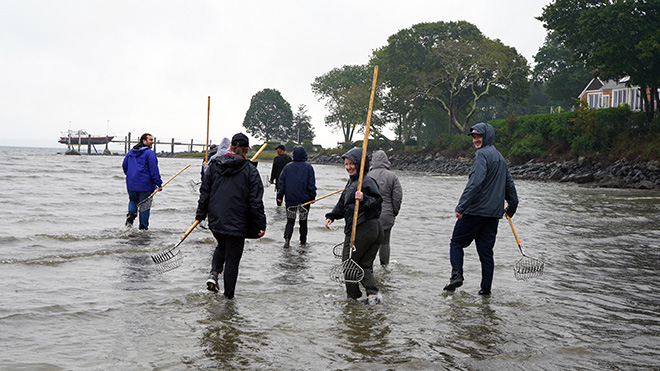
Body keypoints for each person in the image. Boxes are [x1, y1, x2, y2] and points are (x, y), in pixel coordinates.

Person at [443, 122, 519, 296]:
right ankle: (485, 291)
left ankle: (456, 276)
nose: (476, 140)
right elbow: (510, 188)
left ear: (487, 137)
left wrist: (461, 206)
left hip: (475, 211)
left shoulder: (481, 155)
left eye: (479, 136)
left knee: (456, 242)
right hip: (493, 215)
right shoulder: (500, 158)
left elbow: (475, 183)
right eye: (474, 137)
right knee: (486, 254)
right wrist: (511, 207)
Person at [195, 132, 267, 299]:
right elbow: (256, 201)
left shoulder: (213, 166)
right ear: (247, 150)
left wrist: (200, 214)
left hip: (216, 220)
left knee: (221, 244)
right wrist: (261, 224)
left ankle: (213, 273)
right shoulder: (250, 171)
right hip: (237, 222)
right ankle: (228, 300)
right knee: (233, 260)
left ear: (231, 148)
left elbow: (204, 193)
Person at [325, 148, 383, 304]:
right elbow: (343, 204)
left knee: (349, 264)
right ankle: (373, 296)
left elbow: (377, 204)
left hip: (364, 227)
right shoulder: (352, 182)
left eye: (352, 164)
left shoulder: (367, 181)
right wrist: (332, 216)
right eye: (346, 164)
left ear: (360, 163)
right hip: (368, 228)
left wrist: (363, 198)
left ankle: (353, 297)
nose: (348, 167)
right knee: (363, 265)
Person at [277, 146, 316, 248]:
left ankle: (287, 240)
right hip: (304, 201)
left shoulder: (287, 167)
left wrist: (280, 196)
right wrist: (313, 197)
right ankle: (303, 242)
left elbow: (282, 183)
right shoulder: (308, 167)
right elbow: (311, 184)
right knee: (303, 221)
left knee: (290, 221)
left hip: (290, 200)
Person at [369, 150, 403, 268]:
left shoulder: (367, 176)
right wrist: (394, 211)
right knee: (385, 242)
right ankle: (384, 267)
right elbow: (398, 196)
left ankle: (368, 267)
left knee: (369, 242)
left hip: (369, 215)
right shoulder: (392, 176)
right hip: (387, 214)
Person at [122, 133, 162, 230]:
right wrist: (159, 183)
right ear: (144, 141)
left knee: (133, 200)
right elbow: (154, 170)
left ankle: (131, 214)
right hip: (145, 185)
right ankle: (143, 229)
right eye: (150, 140)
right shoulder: (149, 153)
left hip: (131, 183)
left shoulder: (131, 152)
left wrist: (131, 176)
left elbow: (124, 166)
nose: (152, 142)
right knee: (144, 206)